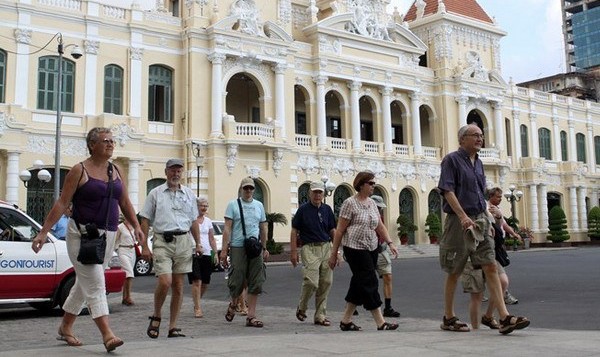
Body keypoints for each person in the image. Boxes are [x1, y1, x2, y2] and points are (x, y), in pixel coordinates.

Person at [31, 127, 143, 352]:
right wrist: (44, 232)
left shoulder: (116, 170)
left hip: (108, 235)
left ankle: (65, 327)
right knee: (96, 284)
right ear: (92, 145)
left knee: (84, 285)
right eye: (105, 141)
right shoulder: (78, 170)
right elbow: (62, 203)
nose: (111, 144)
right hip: (81, 236)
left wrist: (136, 226)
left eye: (112, 141)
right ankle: (107, 334)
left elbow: (125, 202)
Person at [437, 124, 529, 334]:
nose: (480, 138)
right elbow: (447, 191)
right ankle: (449, 317)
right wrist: (462, 217)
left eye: (481, 135)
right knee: (455, 268)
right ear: (462, 139)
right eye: (475, 135)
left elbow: (480, 194)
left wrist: (487, 220)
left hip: (480, 219)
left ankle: (504, 317)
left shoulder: (478, 163)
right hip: (458, 220)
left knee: (490, 266)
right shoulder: (451, 160)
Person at [328, 171, 400, 331]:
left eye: (374, 183)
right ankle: (381, 322)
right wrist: (335, 253)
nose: (374, 186)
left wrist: (390, 242)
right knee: (370, 281)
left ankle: (346, 321)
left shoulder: (372, 203)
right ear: (361, 185)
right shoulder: (349, 203)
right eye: (371, 183)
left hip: (372, 247)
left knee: (359, 282)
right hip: (354, 248)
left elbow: (379, 226)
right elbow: (339, 230)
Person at [140, 158, 201, 339]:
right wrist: (144, 245)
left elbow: (193, 221)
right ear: (166, 172)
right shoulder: (156, 193)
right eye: (172, 170)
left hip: (183, 241)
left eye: (179, 171)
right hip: (162, 240)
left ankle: (173, 326)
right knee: (165, 281)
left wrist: (198, 243)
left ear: (182, 173)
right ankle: (157, 314)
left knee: (179, 286)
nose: (176, 174)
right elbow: (145, 219)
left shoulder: (189, 194)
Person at [220, 177, 269, 328]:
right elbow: (227, 228)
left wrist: (265, 247)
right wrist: (224, 249)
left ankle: (251, 316)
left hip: (255, 247)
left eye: (251, 188)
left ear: (254, 190)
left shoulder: (259, 205)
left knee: (256, 280)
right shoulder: (233, 205)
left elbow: (263, 227)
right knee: (237, 279)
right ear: (241, 189)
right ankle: (234, 303)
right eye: (246, 188)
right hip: (238, 246)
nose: (248, 191)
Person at [290, 181, 336, 326]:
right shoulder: (303, 210)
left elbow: (332, 230)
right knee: (311, 281)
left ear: (323, 194)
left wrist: (336, 251)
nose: (317, 195)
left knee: (326, 282)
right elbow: (294, 231)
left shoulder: (327, 209)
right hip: (309, 248)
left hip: (326, 247)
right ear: (310, 193)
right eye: (315, 192)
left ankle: (320, 315)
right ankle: (302, 307)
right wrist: (293, 252)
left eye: (320, 192)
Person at [486, 187, 520, 305]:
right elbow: (493, 224)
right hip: (491, 246)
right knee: (501, 277)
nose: (501, 199)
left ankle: (493, 295)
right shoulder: (487, 208)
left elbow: (503, 225)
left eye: (501, 197)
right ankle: (502, 296)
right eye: (498, 197)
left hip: (498, 244)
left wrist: (514, 234)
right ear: (491, 196)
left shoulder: (496, 209)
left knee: (490, 272)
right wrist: (498, 216)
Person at [371, 195, 401, 318]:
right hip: (367, 252)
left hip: (381, 251)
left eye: (380, 208)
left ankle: (388, 307)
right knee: (363, 279)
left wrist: (390, 244)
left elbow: (383, 231)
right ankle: (353, 305)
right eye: (377, 208)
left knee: (388, 277)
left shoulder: (380, 218)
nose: (379, 210)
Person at [189, 196, 218, 318]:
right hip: (193, 252)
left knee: (205, 282)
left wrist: (215, 253)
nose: (204, 208)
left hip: (206, 253)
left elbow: (211, 238)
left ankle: (197, 301)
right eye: (202, 205)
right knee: (197, 281)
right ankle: (197, 307)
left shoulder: (208, 221)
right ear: (197, 207)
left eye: (206, 206)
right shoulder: (191, 220)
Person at [115, 215, 137, 306]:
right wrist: (115, 251)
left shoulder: (135, 227)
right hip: (123, 251)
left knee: (127, 276)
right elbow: (115, 240)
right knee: (130, 274)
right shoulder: (120, 227)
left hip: (132, 251)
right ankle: (128, 297)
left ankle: (124, 298)